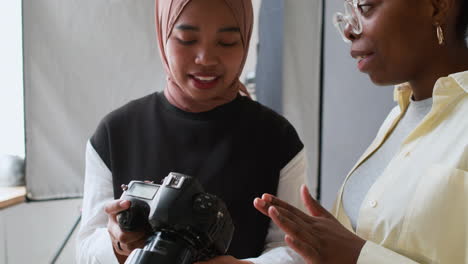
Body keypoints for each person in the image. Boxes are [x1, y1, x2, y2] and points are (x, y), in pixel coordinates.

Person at [76, 0, 307, 263]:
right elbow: (85, 249)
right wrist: (117, 245)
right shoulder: (114, 133)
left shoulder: (277, 138)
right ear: (163, 35)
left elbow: (294, 247)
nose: (205, 58)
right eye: (186, 39)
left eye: (227, 42)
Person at [254, 0, 468, 263]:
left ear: (437, 7)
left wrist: (359, 257)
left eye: (365, 7)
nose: (349, 30)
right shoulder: (397, 116)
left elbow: (354, 252)